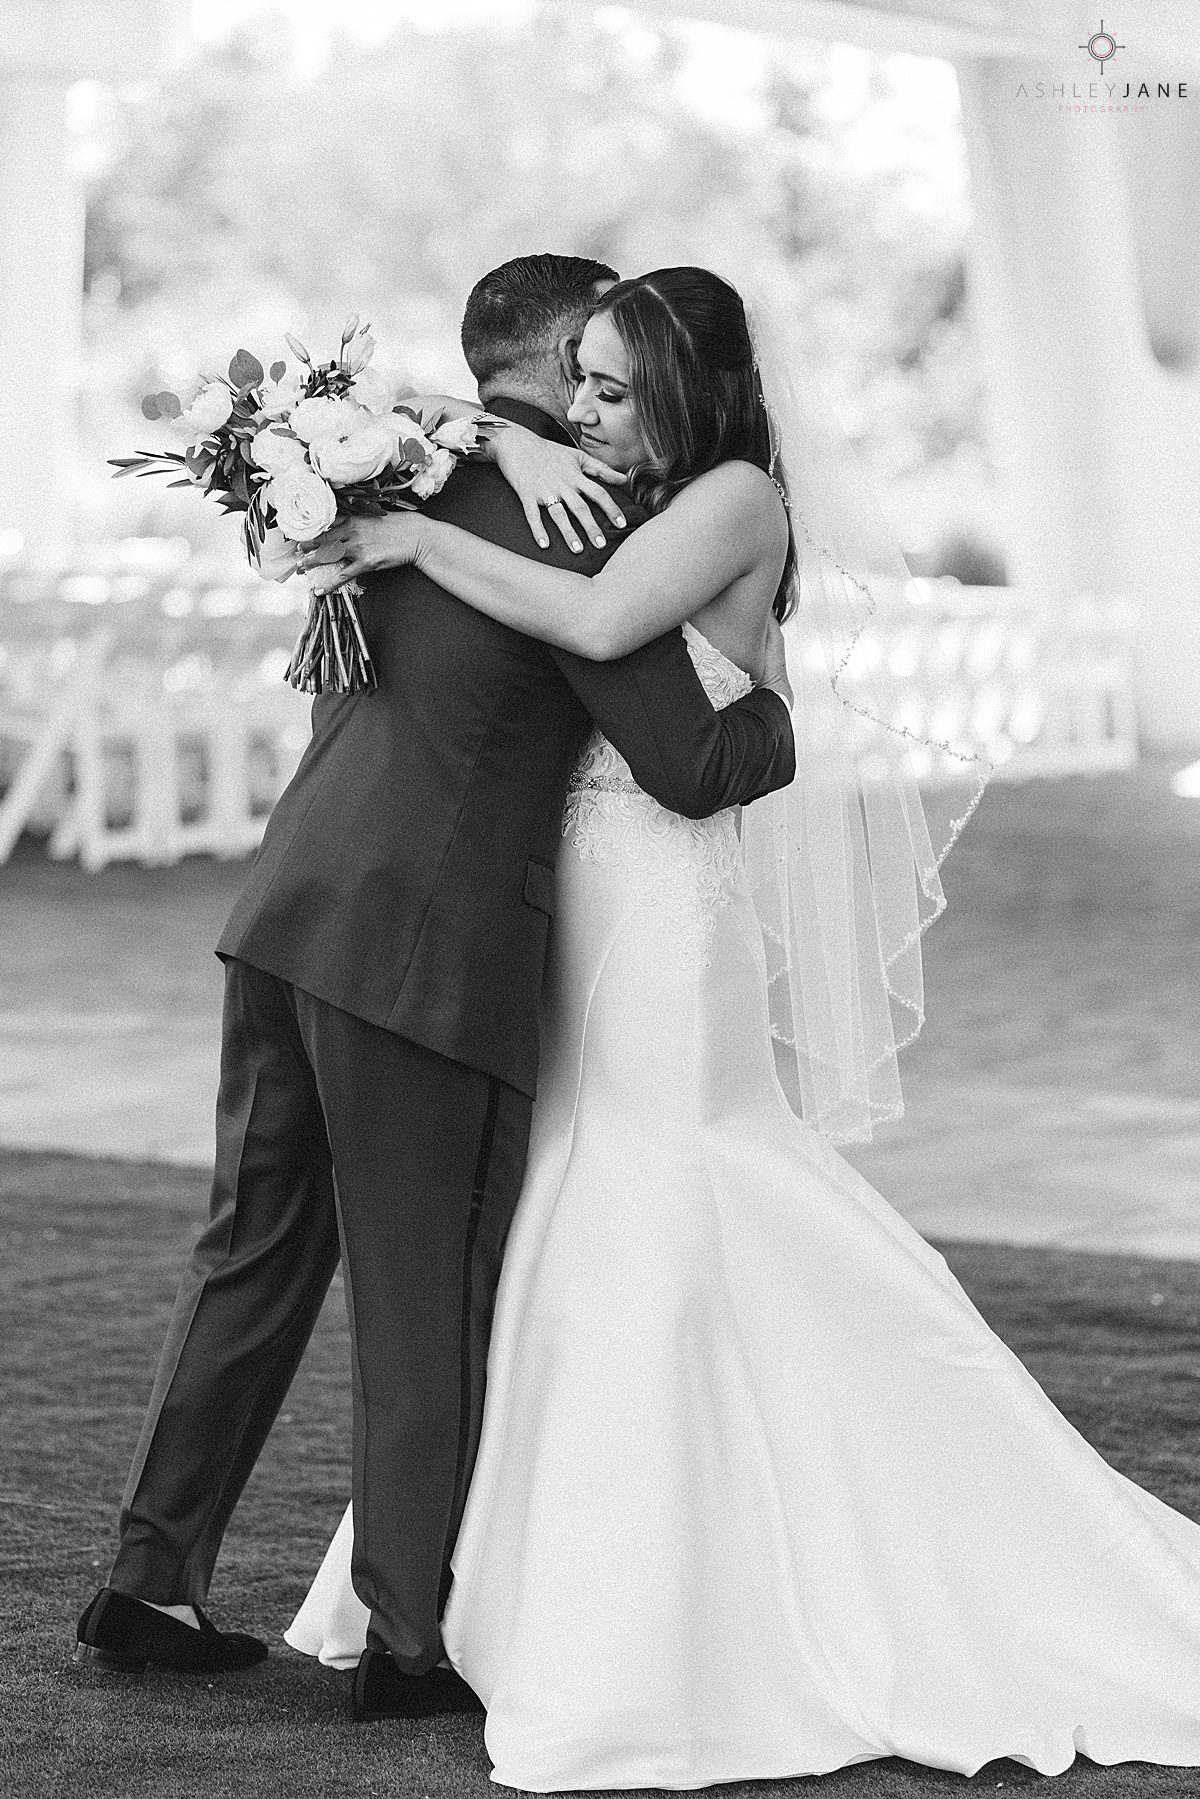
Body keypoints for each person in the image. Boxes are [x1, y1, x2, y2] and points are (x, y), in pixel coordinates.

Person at [286, 266, 1200, 1790]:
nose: (578, 414)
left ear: (691, 391)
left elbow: (589, 615)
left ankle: (704, 1597)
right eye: (571, 385)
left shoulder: (726, 500)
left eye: (607, 389)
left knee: (677, 1186)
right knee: (574, 1206)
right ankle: (502, 1585)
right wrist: (490, 443)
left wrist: (415, 529)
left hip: (654, 905)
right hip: (573, 884)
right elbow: (502, 456)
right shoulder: (621, 474)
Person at [72, 254, 797, 1722]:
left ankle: (149, 1582)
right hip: (417, 952)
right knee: (423, 1288)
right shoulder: (573, 523)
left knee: (252, 1254)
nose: (607, 399)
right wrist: (773, 689)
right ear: (549, 362)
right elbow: (695, 761)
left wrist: (496, 435)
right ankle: (412, 1640)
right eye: (591, 368)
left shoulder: (380, 481)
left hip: (288, 911)